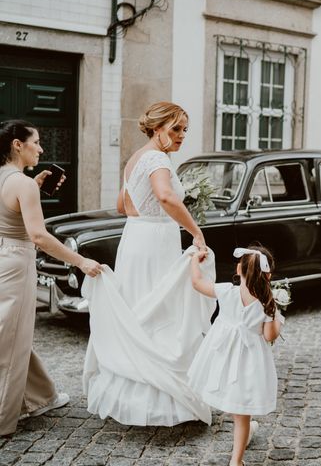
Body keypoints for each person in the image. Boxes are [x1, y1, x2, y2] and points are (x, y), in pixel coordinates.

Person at [82, 102, 214, 426]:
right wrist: (195, 231)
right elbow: (167, 197)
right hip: (155, 242)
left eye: (185, 129)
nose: (182, 136)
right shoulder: (157, 159)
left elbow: (120, 205)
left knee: (140, 307)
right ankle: (162, 402)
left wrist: (149, 213)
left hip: (135, 239)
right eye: (175, 129)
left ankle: (128, 396)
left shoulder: (136, 159)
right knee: (161, 311)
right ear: (158, 129)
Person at [0, 120, 102, 436]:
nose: (41, 149)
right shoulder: (24, 184)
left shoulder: (10, 178)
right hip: (17, 262)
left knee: (12, 332)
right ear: (18, 144)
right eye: (36, 142)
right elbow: (39, 236)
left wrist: (33, 185)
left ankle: (42, 396)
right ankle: (4, 419)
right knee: (10, 341)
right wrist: (81, 260)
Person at [188, 245, 284, 466]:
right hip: (248, 361)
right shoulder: (267, 303)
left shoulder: (226, 291)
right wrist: (277, 318)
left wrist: (195, 260)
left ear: (238, 269)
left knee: (234, 399)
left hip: (223, 355)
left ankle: (245, 435)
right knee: (242, 410)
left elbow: (196, 283)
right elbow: (269, 336)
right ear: (268, 275)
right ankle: (235, 462)